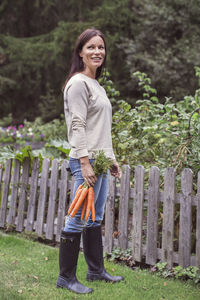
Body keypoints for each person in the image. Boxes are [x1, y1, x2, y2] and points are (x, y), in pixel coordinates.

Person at [56, 28, 123, 294]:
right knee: (78, 218)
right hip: (86, 160)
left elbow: (101, 128)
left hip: (100, 160)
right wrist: (85, 162)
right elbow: (78, 125)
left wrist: (112, 159)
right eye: (91, 47)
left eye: (101, 47)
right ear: (80, 53)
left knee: (95, 218)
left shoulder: (96, 84)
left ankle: (95, 271)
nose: (97, 52)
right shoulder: (77, 83)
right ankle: (66, 278)